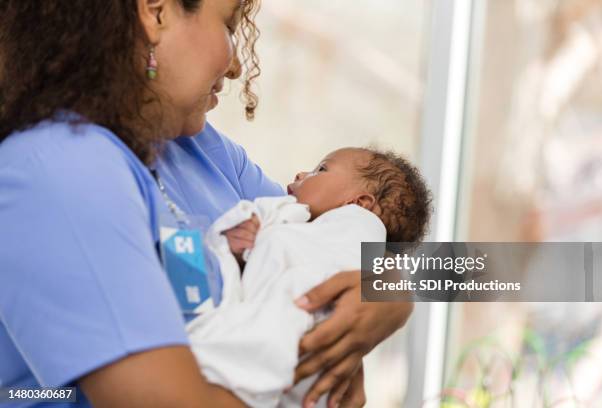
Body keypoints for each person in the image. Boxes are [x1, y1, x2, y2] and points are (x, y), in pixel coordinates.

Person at [0, 0, 413, 407]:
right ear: (156, 12)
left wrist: (395, 293)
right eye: (230, 26)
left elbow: (447, 271)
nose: (236, 67)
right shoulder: (55, 170)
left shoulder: (202, 150)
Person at [184, 147, 432, 407]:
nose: (302, 173)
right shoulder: (306, 222)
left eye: (321, 170)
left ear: (359, 204)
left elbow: (361, 261)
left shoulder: (353, 226)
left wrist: (396, 295)